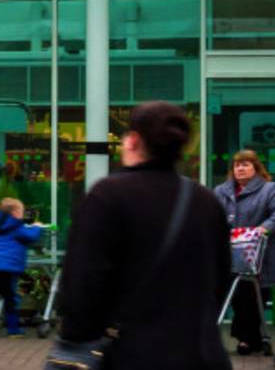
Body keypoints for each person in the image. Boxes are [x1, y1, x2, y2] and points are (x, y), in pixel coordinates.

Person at [55, 101, 231, 369]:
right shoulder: (205, 201)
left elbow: (82, 285)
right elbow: (220, 281)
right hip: (202, 353)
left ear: (133, 140)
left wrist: (77, 340)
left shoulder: (107, 195)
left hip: (134, 354)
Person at [213, 149, 275, 355]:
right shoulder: (221, 191)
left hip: (258, 256)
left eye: (246, 165)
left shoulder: (269, 189)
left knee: (251, 296)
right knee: (233, 295)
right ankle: (250, 338)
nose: (240, 168)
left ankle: (248, 339)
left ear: (256, 169)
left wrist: (263, 228)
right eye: (237, 165)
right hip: (230, 254)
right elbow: (212, 213)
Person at [0, 198, 44, 336]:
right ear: (16, 212)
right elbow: (31, 237)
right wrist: (37, 226)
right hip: (9, 268)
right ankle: (13, 329)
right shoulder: (17, 227)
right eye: (22, 211)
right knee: (10, 299)